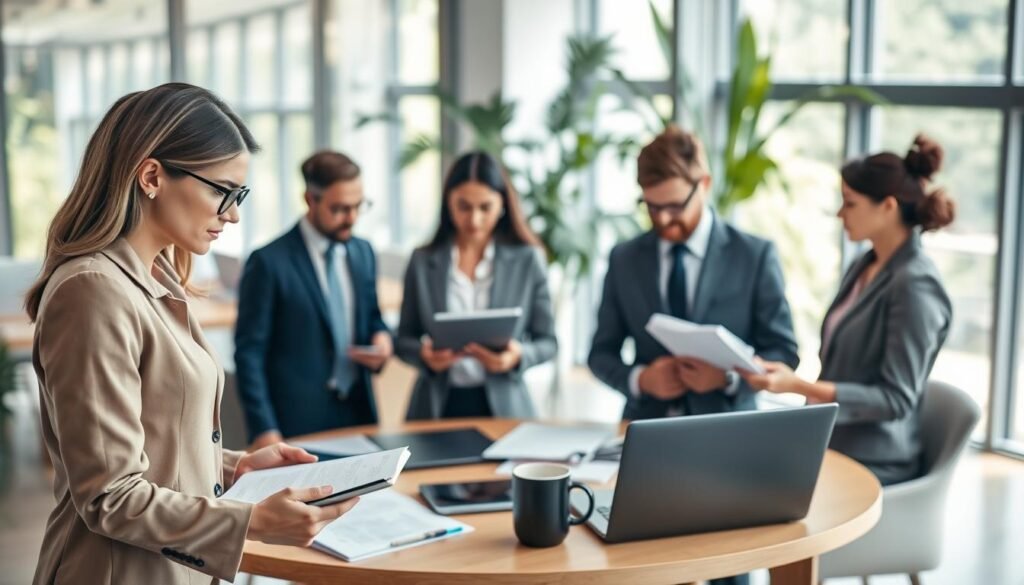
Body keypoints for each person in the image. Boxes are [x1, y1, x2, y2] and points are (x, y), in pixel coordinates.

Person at [25, 83, 358, 585]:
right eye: (222, 190)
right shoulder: (93, 289)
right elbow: (109, 496)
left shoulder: (155, 278)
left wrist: (232, 466)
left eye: (239, 194)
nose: (233, 213)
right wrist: (253, 521)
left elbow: (155, 437)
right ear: (153, 175)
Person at [741, 135, 954, 486]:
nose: (841, 214)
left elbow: (895, 398)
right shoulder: (866, 265)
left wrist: (799, 385)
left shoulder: (916, 285)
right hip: (830, 441)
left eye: (850, 203)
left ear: (887, 206)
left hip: (874, 460)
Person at [589, 125, 800, 422]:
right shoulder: (624, 258)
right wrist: (642, 379)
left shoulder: (753, 255)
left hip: (729, 430)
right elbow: (600, 354)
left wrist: (728, 379)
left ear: (704, 184)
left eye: (675, 206)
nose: (663, 218)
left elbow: (783, 351)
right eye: (651, 206)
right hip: (645, 429)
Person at [235, 151, 392, 448]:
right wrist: (264, 428)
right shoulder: (268, 262)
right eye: (340, 209)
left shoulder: (363, 252)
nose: (352, 218)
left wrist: (383, 339)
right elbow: (249, 355)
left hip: (359, 414)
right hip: (294, 424)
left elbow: (372, 316)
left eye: (359, 206)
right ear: (310, 199)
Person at [397, 151, 557, 419]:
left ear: (503, 204)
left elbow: (548, 342)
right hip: (436, 407)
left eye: (485, 207)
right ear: (448, 203)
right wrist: (424, 355)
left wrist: (516, 356)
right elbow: (403, 339)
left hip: (505, 408)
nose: (474, 219)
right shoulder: (423, 261)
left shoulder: (528, 259)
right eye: (464, 206)